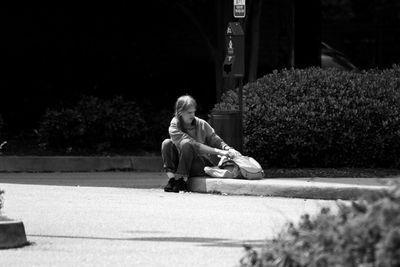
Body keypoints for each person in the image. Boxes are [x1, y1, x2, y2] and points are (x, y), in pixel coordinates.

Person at [161, 95, 241, 193]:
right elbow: (194, 145)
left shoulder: (201, 123)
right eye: (189, 112)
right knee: (167, 143)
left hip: (199, 164)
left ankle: (182, 180)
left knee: (186, 143)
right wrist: (219, 152)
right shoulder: (174, 125)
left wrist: (227, 148)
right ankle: (173, 180)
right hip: (183, 161)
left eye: (194, 112)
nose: (192, 115)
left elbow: (214, 139)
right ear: (180, 112)